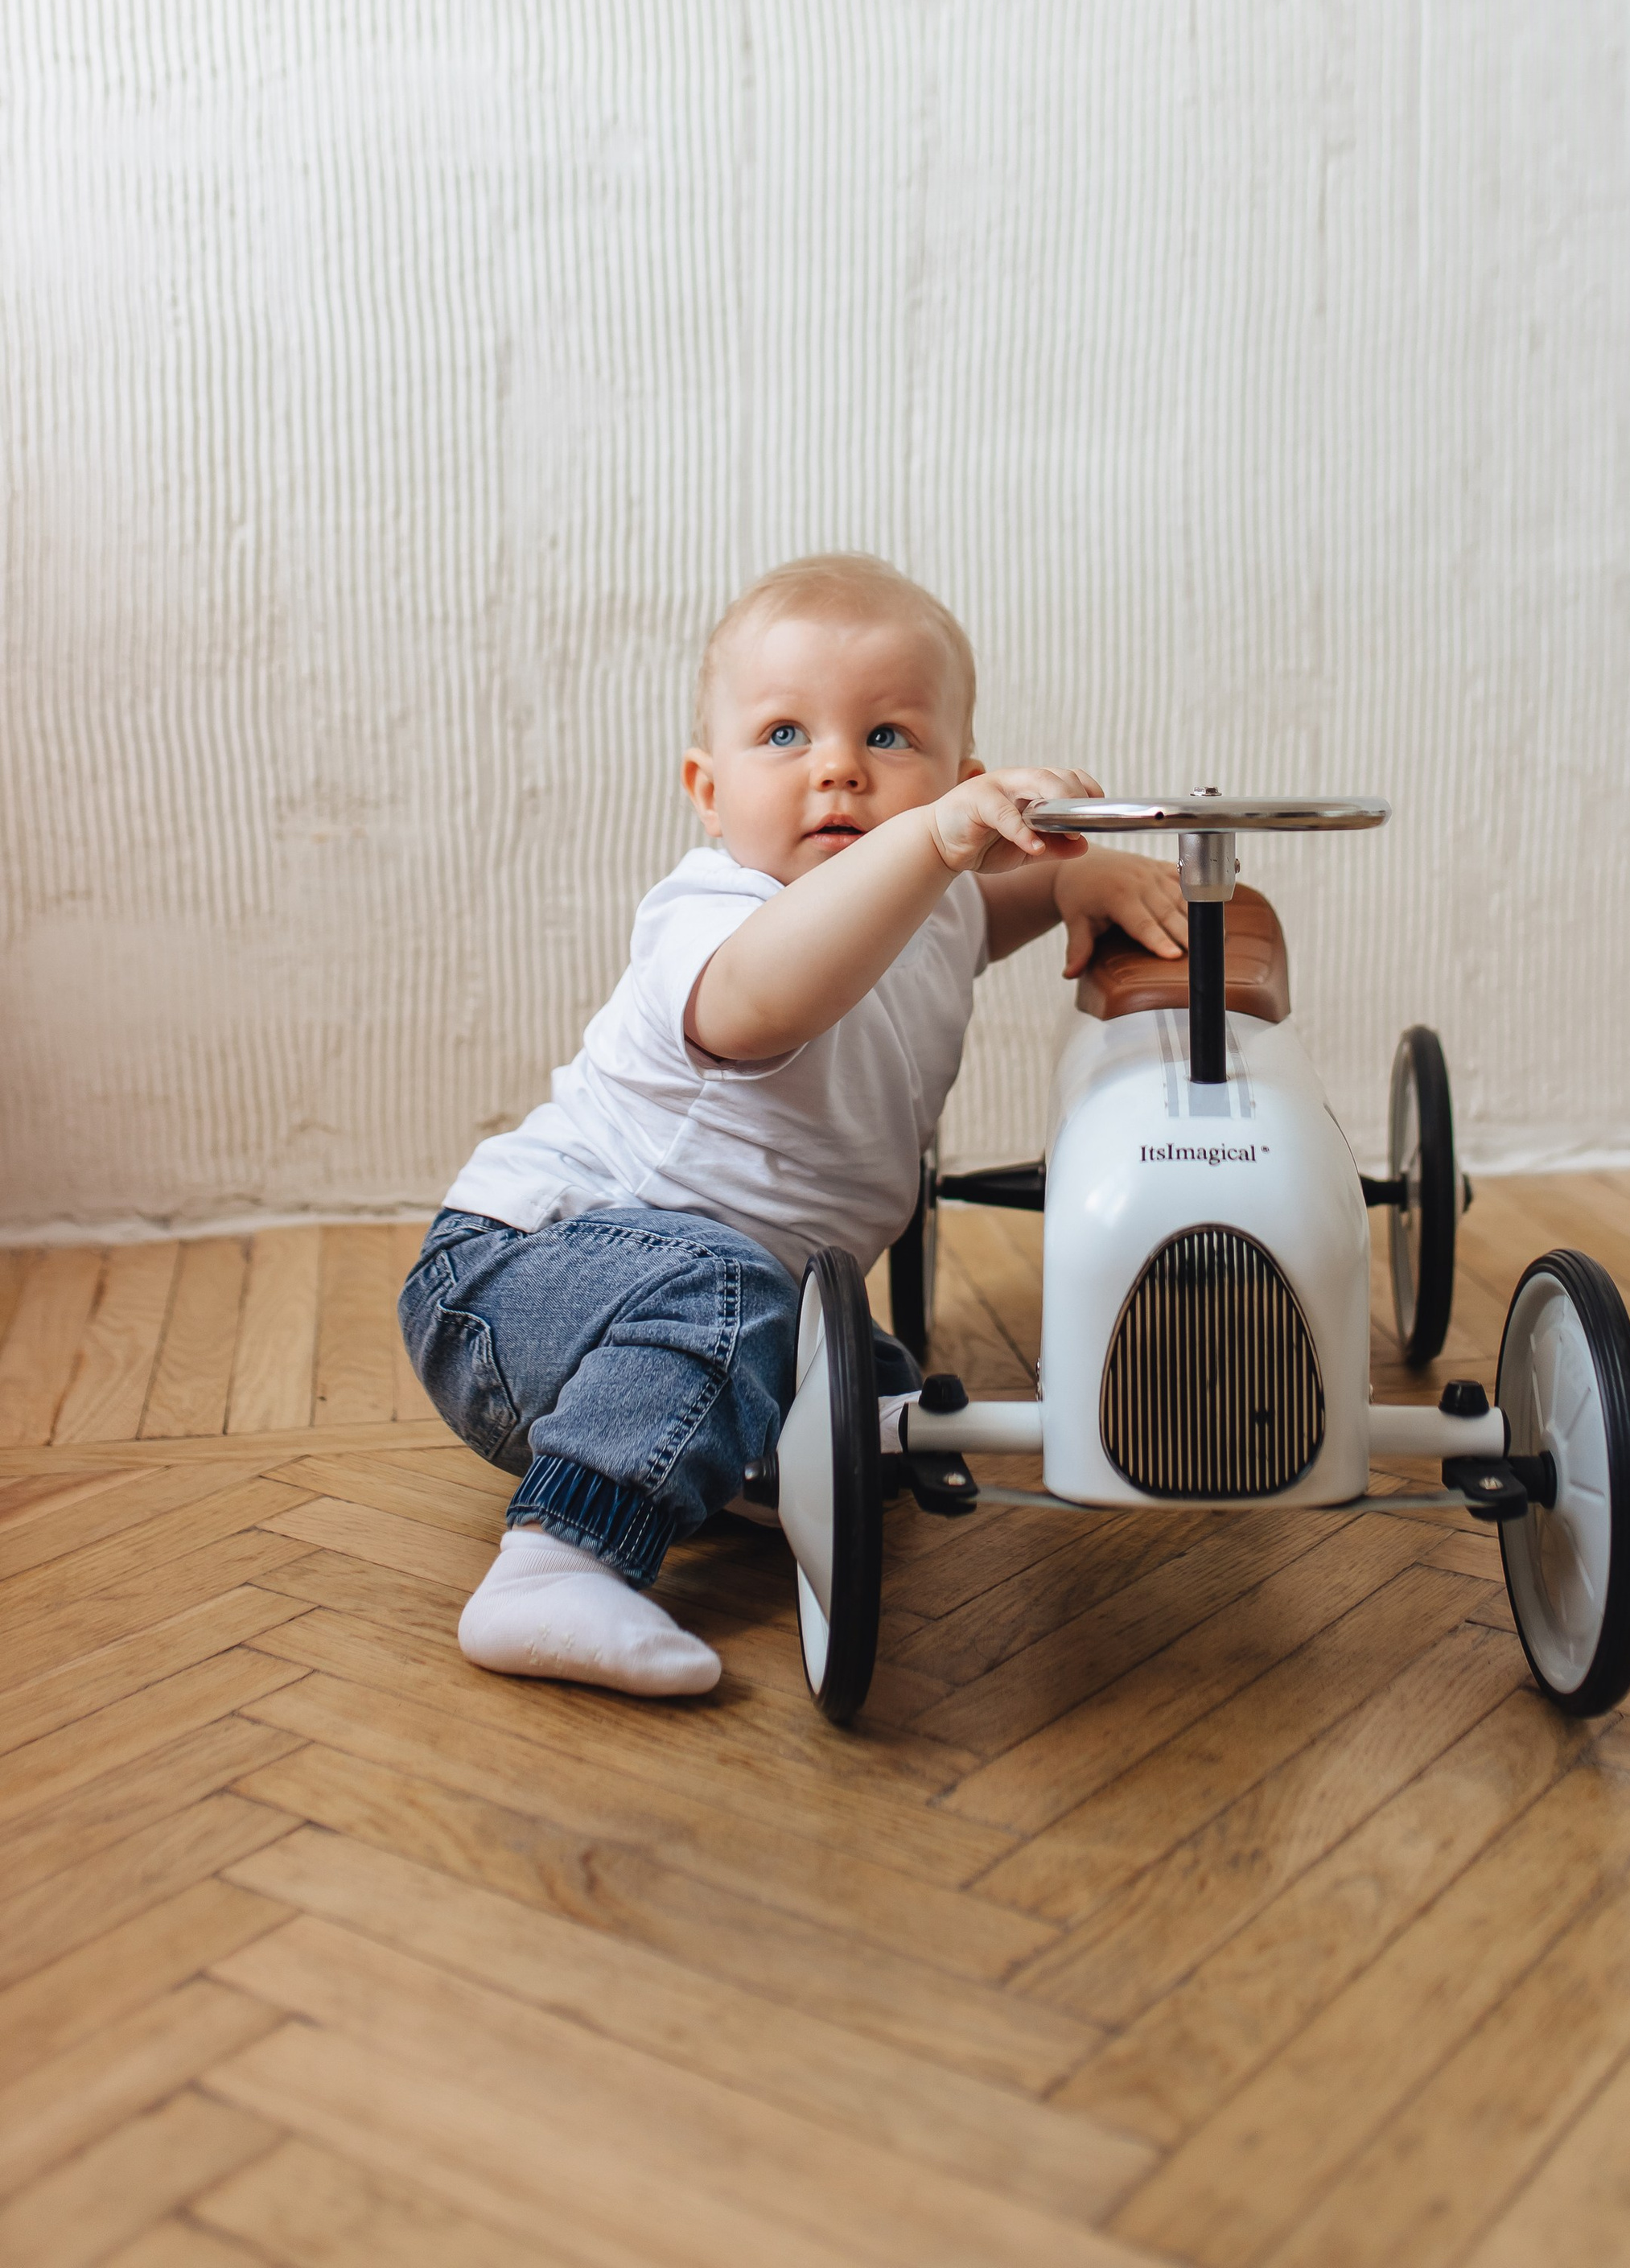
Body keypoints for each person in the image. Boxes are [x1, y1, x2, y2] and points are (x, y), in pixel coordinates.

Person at [401, 552, 1185, 1697]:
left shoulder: (935, 898)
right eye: (783, 736)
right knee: (734, 1299)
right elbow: (768, 1003)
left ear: (960, 777)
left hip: (700, 1295)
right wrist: (933, 841)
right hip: (519, 1280)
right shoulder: (716, 911)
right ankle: (556, 1561)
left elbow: (975, 907)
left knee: (866, 1376)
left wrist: (1071, 879)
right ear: (706, 787)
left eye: (887, 739)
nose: (837, 771)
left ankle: (736, 1460)